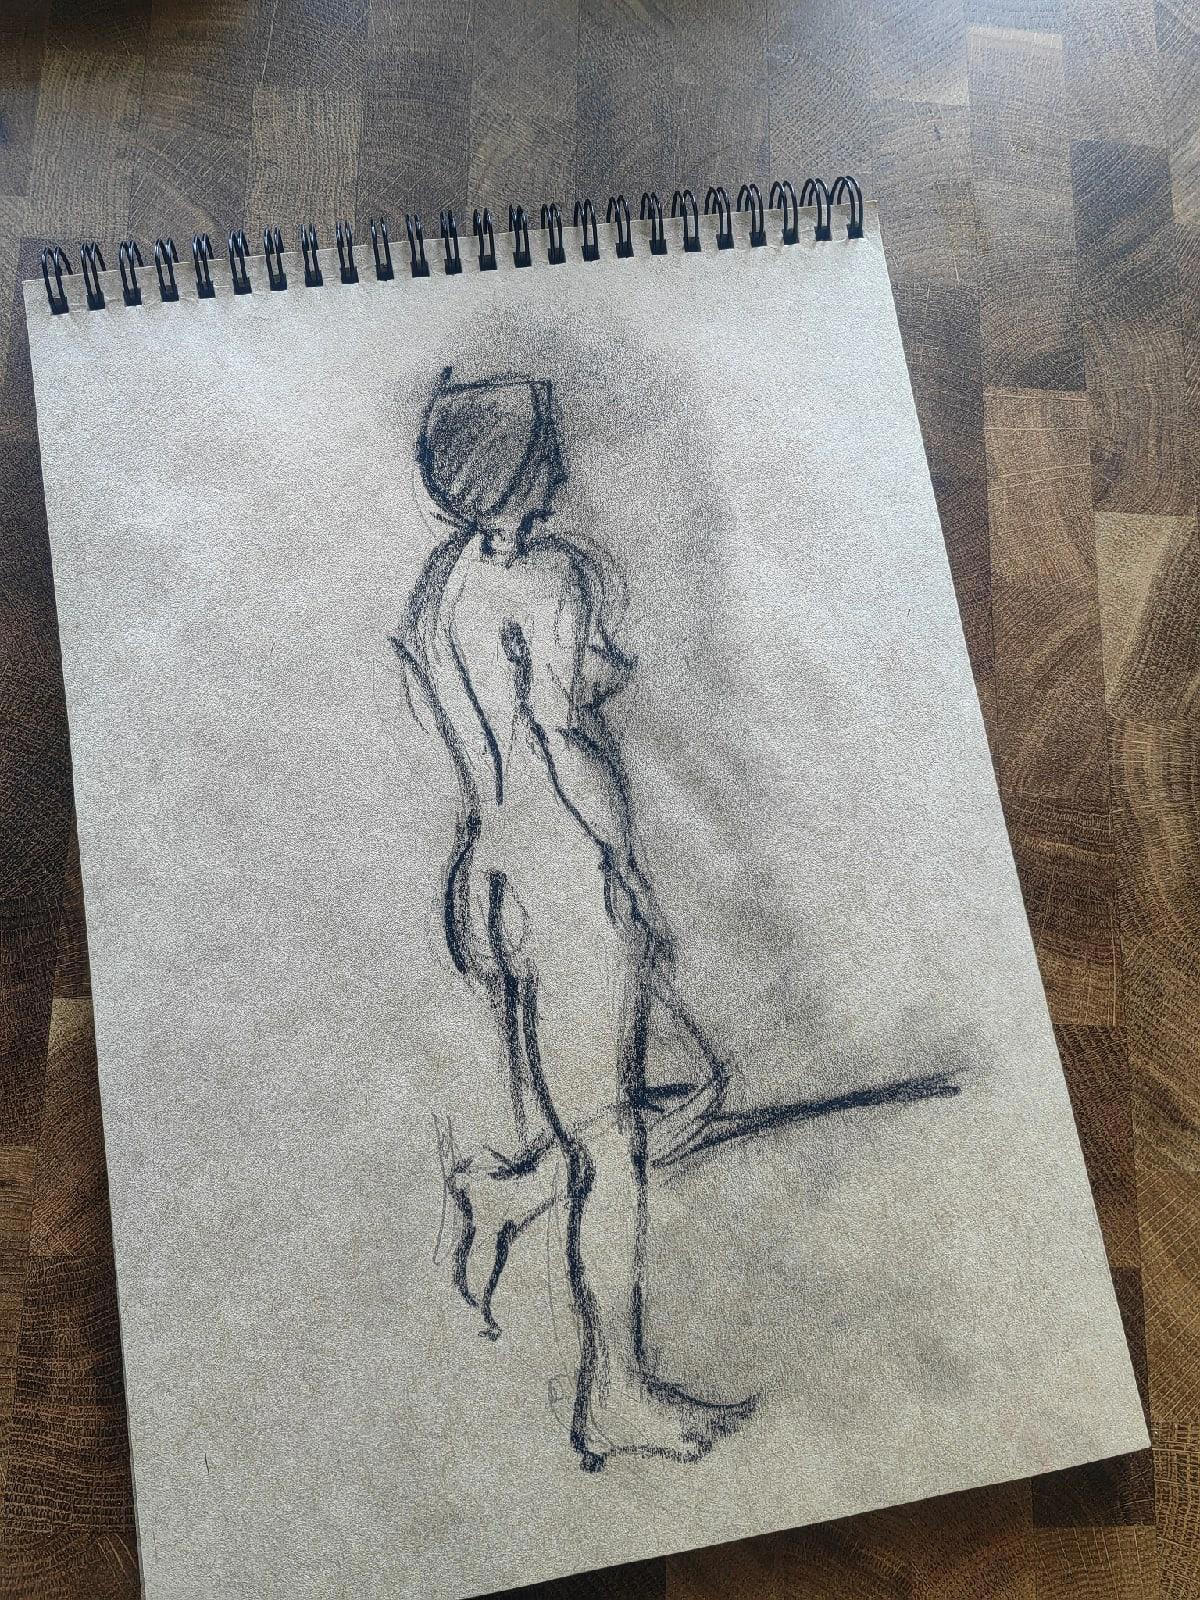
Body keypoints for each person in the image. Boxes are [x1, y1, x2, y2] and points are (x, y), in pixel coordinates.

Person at [393, 368, 754, 1469]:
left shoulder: (443, 583)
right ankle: (613, 1394)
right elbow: (561, 738)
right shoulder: (555, 575)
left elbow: (476, 725)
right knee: (612, 1149)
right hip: (559, 870)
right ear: (515, 470)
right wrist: (625, 866)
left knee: (647, 1105)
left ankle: (506, 1197)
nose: (560, 462)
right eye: (545, 447)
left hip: (487, 873)